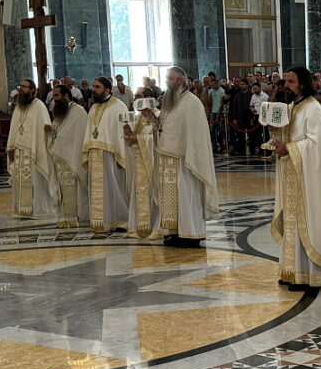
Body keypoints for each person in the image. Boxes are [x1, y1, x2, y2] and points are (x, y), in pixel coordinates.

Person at [133, 67, 219, 245]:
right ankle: (173, 232)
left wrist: (190, 155)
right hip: (167, 159)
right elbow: (164, 127)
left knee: (186, 197)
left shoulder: (192, 103)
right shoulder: (168, 102)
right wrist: (152, 119)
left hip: (185, 160)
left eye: (170, 79)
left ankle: (190, 234)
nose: (167, 82)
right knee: (170, 199)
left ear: (180, 81)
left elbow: (196, 135)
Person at [272, 67, 321, 288]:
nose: (286, 85)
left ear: (302, 83)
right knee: (292, 224)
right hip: (292, 174)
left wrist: (288, 148)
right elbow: (288, 134)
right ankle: (292, 271)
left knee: (307, 222)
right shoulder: (293, 107)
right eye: (286, 81)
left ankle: (310, 277)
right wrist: (276, 135)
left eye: (291, 81)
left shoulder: (313, 109)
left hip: (308, 178)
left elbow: (317, 145)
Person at [83, 76, 130, 232]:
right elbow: (89, 131)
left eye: (97, 87)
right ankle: (100, 220)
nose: (94, 90)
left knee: (113, 187)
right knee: (98, 189)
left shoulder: (119, 106)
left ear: (107, 90)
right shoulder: (93, 108)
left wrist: (121, 154)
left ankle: (118, 219)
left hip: (111, 155)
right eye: (93, 86)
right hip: (94, 154)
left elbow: (121, 131)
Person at [6, 78, 57, 219]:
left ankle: (39, 210)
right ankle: (23, 210)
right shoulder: (18, 106)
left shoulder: (39, 106)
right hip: (19, 151)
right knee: (20, 182)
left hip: (34, 152)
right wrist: (10, 147)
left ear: (32, 90)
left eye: (24, 87)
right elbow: (13, 128)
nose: (21, 89)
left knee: (36, 183)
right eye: (20, 86)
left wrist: (48, 131)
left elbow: (45, 128)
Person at [48, 84, 89, 228]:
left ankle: (76, 216)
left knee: (74, 186)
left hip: (73, 156)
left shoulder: (78, 112)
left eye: (57, 96)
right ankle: (65, 215)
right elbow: (57, 130)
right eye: (53, 96)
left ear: (66, 96)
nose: (55, 99)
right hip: (61, 156)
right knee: (64, 187)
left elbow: (78, 135)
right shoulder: (61, 112)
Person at [123, 97, 159, 238]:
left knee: (152, 193)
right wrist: (129, 134)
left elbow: (158, 138)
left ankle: (154, 226)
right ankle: (140, 226)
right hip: (139, 161)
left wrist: (137, 139)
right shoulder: (139, 118)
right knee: (139, 193)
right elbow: (137, 138)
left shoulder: (157, 116)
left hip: (152, 163)